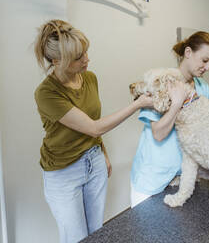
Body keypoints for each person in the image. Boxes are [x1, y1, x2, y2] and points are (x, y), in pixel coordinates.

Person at [34, 19, 152, 243]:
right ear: (57, 60)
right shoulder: (46, 93)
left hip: (94, 162)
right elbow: (93, 126)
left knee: (97, 232)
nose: (86, 60)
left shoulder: (89, 78)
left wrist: (102, 152)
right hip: (63, 172)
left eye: (85, 52)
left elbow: (92, 124)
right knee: (76, 237)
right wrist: (137, 104)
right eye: (78, 57)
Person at [130, 31, 209, 207]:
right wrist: (177, 103)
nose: (207, 67)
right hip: (152, 180)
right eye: (204, 60)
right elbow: (159, 133)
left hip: (184, 179)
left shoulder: (203, 88)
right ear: (188, 53)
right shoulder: (159, 81)